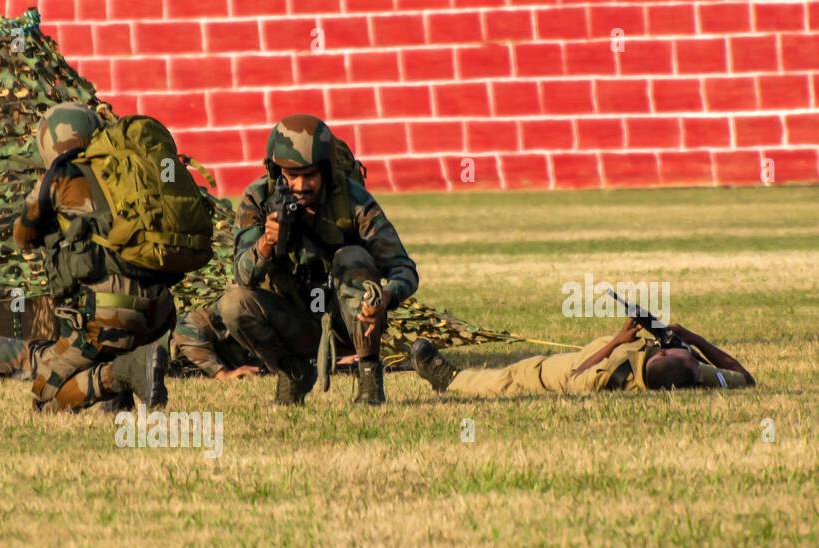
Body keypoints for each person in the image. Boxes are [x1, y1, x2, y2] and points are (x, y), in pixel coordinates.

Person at [218, 114, 419, 405]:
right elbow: (243, 276)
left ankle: (369, 379)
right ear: (277, 172)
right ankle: (294, 371)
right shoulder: (259, 199)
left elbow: (404, 269)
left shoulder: (353, 201)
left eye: (310, 175)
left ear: (325, 170)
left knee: (353, 256)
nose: (301, 185)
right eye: (292, 175)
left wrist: (385, 298)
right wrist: (266, 243)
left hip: (347, 321)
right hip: (294, 319)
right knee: (232, 304)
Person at [13, 104, 179, 412]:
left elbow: (22, 236)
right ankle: (124, 384)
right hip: (160, 314)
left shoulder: (58, 178)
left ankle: (122, 372)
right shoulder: (130, 172)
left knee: (44, 400)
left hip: (109, 317)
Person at [409, 318, 755, 396]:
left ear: (657, 359)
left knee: (509, 378)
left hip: (559, 372)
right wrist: (694, 339)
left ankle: (449, 380)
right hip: (588, 356)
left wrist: (617, 341)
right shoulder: (692, 372)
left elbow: (578, 376)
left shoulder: (614, 376)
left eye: (669, 348)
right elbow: (745, 377)